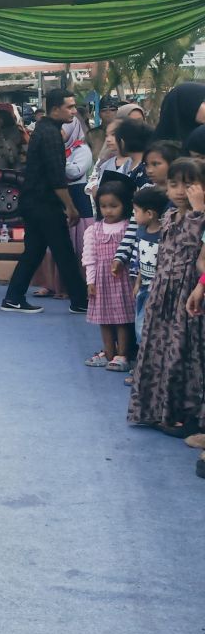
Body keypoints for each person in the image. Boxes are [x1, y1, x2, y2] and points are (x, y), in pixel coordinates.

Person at [130, 159, 205, 435]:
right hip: (162, 292)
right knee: (158, 349)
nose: (180, 191)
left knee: (183, 352)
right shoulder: (169, 216)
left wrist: (198, 210)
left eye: (189, 184)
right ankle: (155, 409)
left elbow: (190, 246)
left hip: (187, 293)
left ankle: (182, 415)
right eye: (174, 184)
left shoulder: (199, 217)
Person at [1, 91, 89, 314]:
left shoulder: (44, 129)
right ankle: (80, 301)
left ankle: (13, 297)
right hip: (44, 203)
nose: (74, 111)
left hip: (35, 201)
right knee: (63, 252)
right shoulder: (50, 133)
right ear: (55, 109)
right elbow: (56, 176)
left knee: (35, 251)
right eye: (69, 107)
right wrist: (70, 207)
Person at [82, 174, 136, 373]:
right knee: (103, 319)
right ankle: (108, 351)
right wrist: (90, 282)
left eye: (114, 206)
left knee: (123, 319)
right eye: (103, 206)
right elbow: (89, 258)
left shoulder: (130, 227)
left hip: (123, 280)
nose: (108, 210)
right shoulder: (93, 230)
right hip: (101, 281)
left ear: (125, 205)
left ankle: (123, 354)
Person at [114, 183, 166, 343]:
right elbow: (142, 261)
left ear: (149, 214)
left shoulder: (164, 235)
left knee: (150, 325)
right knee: (140, 322)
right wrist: (138, 282)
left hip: (157, 289)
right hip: (143, 286)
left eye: (136, 211)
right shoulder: (141, 232)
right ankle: (143, 353)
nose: (134, 215)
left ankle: (150, 354)